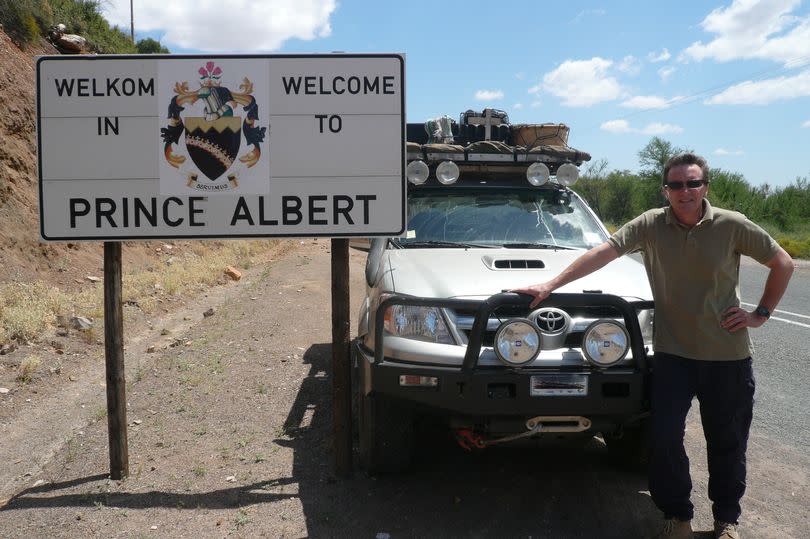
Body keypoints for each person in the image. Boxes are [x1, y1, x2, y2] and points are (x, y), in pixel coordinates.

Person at [513, 153, 794, 539]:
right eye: (676, 185)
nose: (685, 191)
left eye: (692, 183)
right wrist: (549, 285)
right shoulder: (650, 225)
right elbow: (604, 252)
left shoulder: (731, 225)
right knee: (663, 440)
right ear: (666, 190)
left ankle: (726, 520)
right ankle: (678, 516)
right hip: (673, 356)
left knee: (728, 443)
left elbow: (783, 262)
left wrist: (760, 313)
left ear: (705, 187)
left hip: (727, 357)